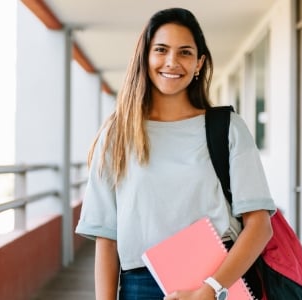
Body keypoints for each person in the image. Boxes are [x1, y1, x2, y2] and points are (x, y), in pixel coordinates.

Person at [75, 7, 276, 300]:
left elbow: (260, 226)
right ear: (145, 57)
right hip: (139, 285)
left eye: (184, 52)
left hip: (218, 279)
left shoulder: (227, 129)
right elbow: (107, 237)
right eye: (161, 50)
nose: (172, 62)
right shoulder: (117, 135)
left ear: (199, 63)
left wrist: (210, 289)